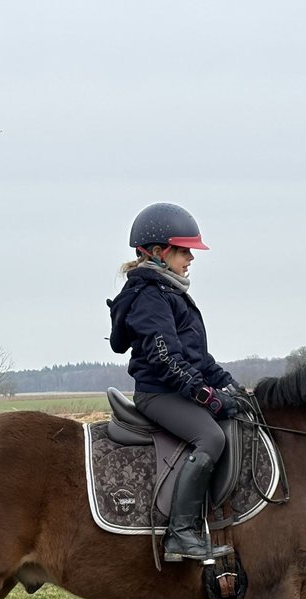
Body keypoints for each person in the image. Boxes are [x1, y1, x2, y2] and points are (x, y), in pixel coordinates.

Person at [107, 202, 246, 562]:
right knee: (210, 436)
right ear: (157, 252)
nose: (190, 258)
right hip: (159, 394)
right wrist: (209, 398)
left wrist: (230, 386)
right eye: (184, 250)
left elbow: (197, 358)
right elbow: (167, 360)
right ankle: (181, 534)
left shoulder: (170, 292)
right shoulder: (150, 297)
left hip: (176, 388)